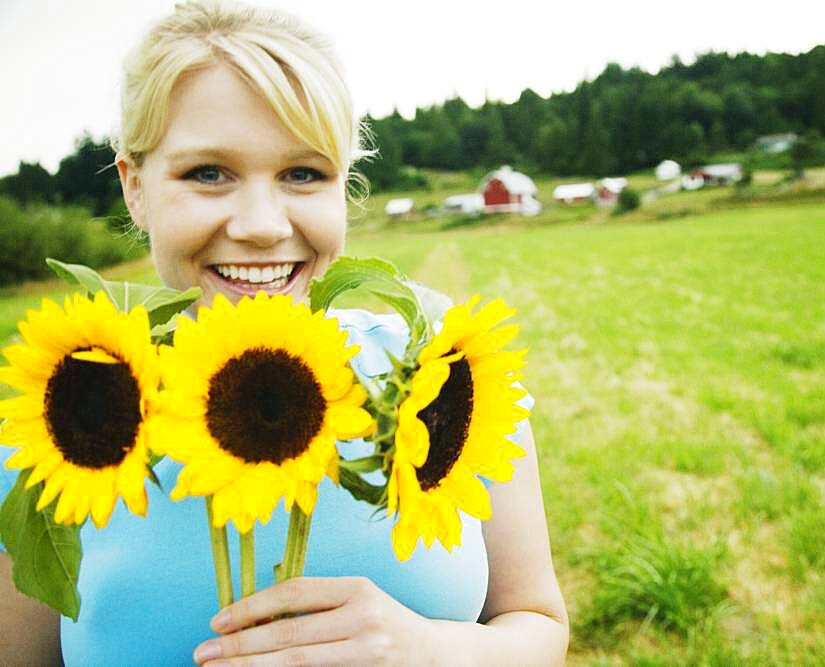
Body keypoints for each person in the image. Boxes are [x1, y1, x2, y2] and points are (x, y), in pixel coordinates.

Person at [0, 1, 569, 664]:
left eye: (304, 173)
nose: (264, 223)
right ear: (135, 187)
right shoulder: (49, 425)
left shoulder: (444, 379)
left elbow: (536, 621)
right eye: (208, 173)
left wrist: (433, 650)